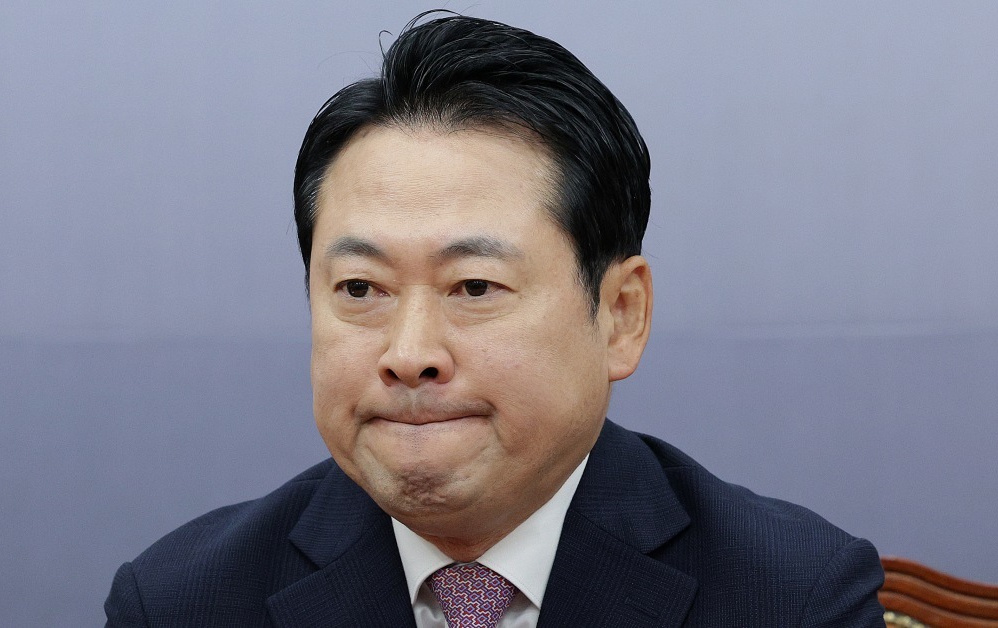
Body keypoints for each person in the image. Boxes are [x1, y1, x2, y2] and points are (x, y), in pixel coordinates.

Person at [104, 13, 885, 627]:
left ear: (620, 315)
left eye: (474, 287)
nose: (409, 354)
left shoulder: (790, 596)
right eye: (361, 288)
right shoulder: (181, 603)